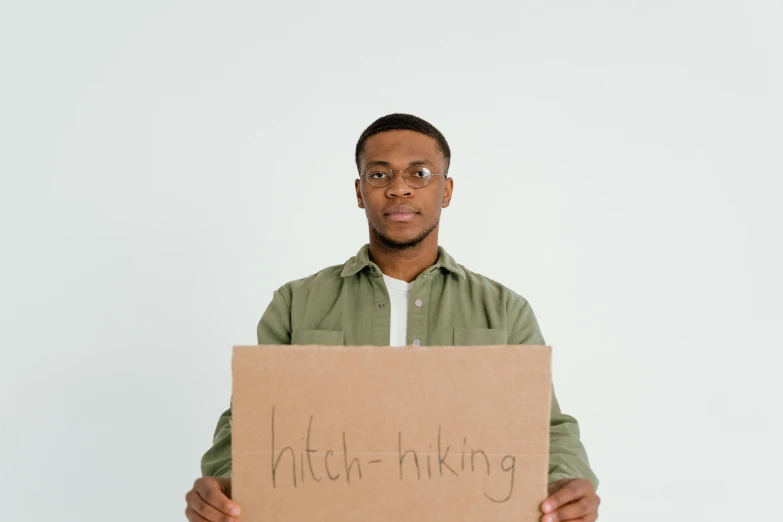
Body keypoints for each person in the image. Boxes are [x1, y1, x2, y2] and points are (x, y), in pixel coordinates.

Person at [185, 113, 600, 522]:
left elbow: (547, 428)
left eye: (419, 173)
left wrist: (567, 484)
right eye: (380, 175)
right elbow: (251, 422)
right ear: (360, 191)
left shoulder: (505, 309)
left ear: (447, 190)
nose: (399, 188)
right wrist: (224, 484)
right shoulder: (296, 303)